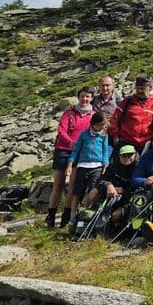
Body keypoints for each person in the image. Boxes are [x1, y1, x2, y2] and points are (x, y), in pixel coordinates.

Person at [47, 86, 95, 228]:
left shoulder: (93, 115)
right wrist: (71, 143)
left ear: (92, 98)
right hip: (63, 150)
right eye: (82, 96)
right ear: (78, 97)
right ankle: (51, 215)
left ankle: (66, 216)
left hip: (80, 153)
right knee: (58, 184)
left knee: (72, 186)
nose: (85, 99)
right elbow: (61, 129)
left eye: (88, 96)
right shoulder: (69, 112)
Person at [66, 110, 110, 223]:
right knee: (77, 192)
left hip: (97, 167)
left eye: (104, 125)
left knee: (92, 191)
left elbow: (105, 150)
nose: (103, 127)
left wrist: (105, 162)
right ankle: (72, 216)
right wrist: (70, 164)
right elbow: (76, 150)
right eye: (101, 125)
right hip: (82, 166)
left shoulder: (104, 135)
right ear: (94, 123)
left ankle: (85, 215)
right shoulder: (84, 134)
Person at [108, 76, 153, 152]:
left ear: (150, 87)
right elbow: (114, 120)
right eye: (137, 88)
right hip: (126, 142)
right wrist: (115, 138)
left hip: (146, 144)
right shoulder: (127, 101)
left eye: (142, 88)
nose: (139, 91)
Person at [85, 144, 137, 222]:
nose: (127, 158)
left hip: (125, 199)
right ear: (119, 156)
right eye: (123, 155)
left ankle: (109, 228)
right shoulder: (114, 165)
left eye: (130, 155)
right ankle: (85, 216)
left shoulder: (138, 168)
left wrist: (124, 190)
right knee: (93, 192)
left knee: (116, 215)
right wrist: (108, 185)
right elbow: (101, 179)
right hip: (109, 193)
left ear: (135, 155)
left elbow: (136, 189)